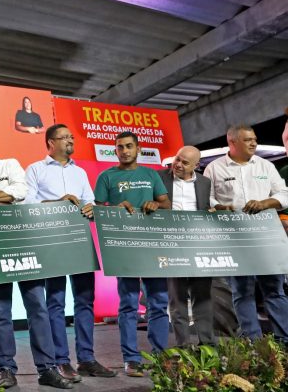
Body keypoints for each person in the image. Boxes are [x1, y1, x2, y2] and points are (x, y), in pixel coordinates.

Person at [0, 130, 71, 389]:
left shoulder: (9, 164)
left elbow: (20, 191)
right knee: (1, 312)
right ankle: (6, 370)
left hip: (23, 242)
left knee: (37, 307)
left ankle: (47, 368)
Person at [24, 124, 116, 381]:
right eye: (64, 137)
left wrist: (91, 207)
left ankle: (86, 358)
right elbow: (27, 203)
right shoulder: (35, 169)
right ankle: (61, 361)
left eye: (71, 137)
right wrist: (58, 203)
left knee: (85, 300)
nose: (70, 140)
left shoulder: (80, 171)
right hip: (52, 242)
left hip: (80, 240)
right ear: (50, 143)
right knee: (55, 302)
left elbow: (90, 200)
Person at [94, 131, 171, 378]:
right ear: (115, 151)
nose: (125, 151)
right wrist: (114, 208)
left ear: (138, 148)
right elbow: (98, 210)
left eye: (129, 146)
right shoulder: (106, 176)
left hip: (152, 245)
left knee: (158, 302)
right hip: (123, 246)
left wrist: (156, 204)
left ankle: (160, 357)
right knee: (128, 305)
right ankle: (131, 359)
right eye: (120, 147)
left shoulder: (150, 174)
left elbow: (166, 204)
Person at [204, 124, 288, 343]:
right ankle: (254, 344)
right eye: (248, 140)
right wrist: (219, 206)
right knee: (242, 291)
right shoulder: (214, 168)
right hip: (235, 239)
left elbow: (284, 194)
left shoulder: (266, 166)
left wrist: (265, 203)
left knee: (274, 289)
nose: (254, 143)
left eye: (255, 139)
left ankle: (285, 341)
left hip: (266, 237)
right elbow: (206, 198)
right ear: (232, 142)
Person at [160, 146, 216, 346]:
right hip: (172, 244)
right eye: (177, 159)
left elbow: (208, 207)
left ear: (196, 165)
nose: (178, 164)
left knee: (203, 297)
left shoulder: (205, 182)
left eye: (185, 163)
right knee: (177, 299)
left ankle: (207, 345)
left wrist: (213, 210)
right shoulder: (159, 178)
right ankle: (183, 346)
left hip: (199, 244)